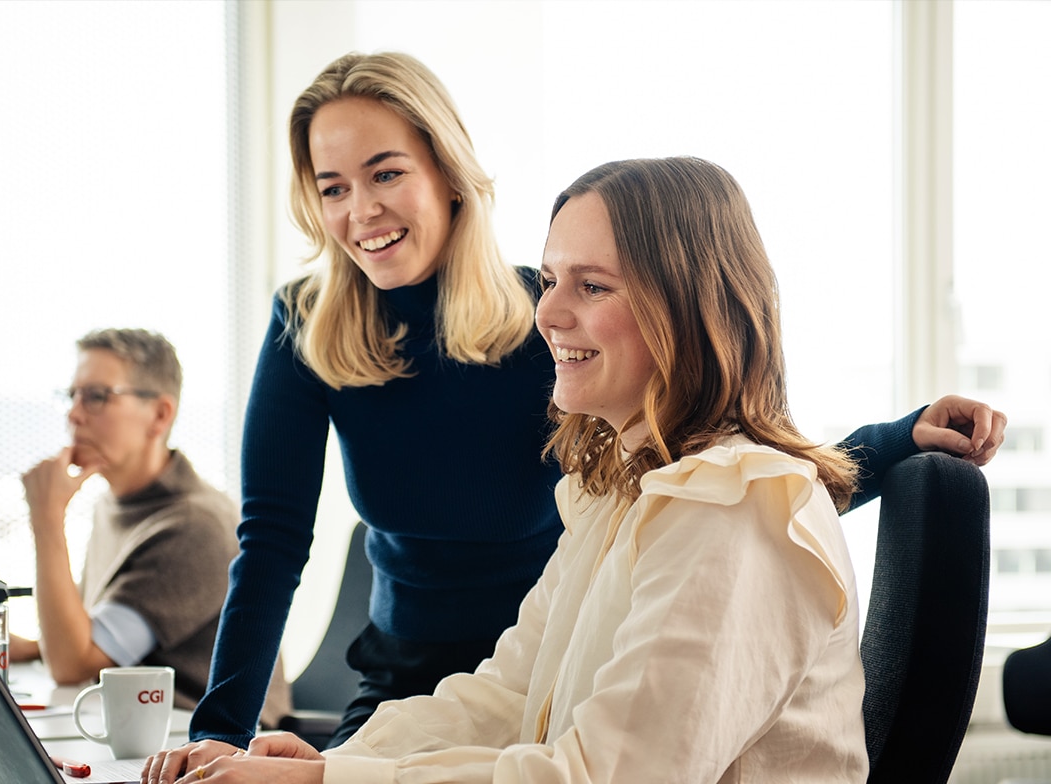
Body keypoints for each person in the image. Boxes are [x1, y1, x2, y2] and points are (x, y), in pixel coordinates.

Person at [165, 50, 1007, 763]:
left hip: (584, 670)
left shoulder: (568, 342)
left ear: (449, 175)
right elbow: (273, 544)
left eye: (385, 173)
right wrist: (225, 743)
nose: (360, 211)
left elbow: (734, 488)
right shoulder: (319, 327)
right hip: (469, 675)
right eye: (332, 187)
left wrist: (894, 442)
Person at [150, 157, 878, 782]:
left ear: (689, 310)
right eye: (553, 278)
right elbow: (506, 697)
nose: (547, 313)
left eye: (592, 287)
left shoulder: (733, 507)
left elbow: (602, 777)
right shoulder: (618, 496)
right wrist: (328, 765)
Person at [8, 328, 291, 723]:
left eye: (96, 396)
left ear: (159, 415)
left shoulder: (194, 525)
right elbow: (96, 639)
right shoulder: (116, 505)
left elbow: (73, 664)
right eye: (71, 396)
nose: (73, 414)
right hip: (139, 727)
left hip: (207, 745)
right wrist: (37, 646)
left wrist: (47, 520)